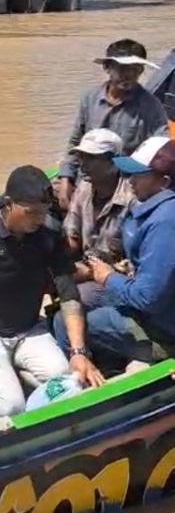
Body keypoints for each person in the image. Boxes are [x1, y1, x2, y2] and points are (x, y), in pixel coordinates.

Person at [0, 166, 102, 421]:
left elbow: (68, 296)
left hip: (28, 330)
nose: (38, 219)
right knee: (9, 409)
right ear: (10, 204)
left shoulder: (48, 236)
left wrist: (79, 353)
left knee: (73, 383)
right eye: (30, 212)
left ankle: (11, 373)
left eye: (43, 212)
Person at [71, 138, 175, 373]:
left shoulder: (166, 222)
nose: (129, 180)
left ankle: (98, 374)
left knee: (71, 323)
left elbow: (148, 298)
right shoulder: (147, 207)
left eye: (138, 174)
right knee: (79, 298)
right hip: (149, 301)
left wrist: (109, 278)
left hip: (163, 327)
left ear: (164, 182)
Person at [57, 39, 168, 212]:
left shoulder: (151, 106)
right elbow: (75, 141)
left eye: (136, 69)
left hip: (126, 185)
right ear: (107, 68)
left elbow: (161, 148)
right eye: (123, 68)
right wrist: (66, 178)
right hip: (88, 179)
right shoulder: (90, 99)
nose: (129, 74)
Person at [63, 128, 136, 309]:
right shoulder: (84, 187)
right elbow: (72, 236)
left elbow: (132, 267)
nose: (83, 165)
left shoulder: (133, 198)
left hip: (119, 280)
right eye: (81, 157)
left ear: (114, 161)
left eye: (91, 158)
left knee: (76, 297)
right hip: (88, 266)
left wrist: (88, 273)